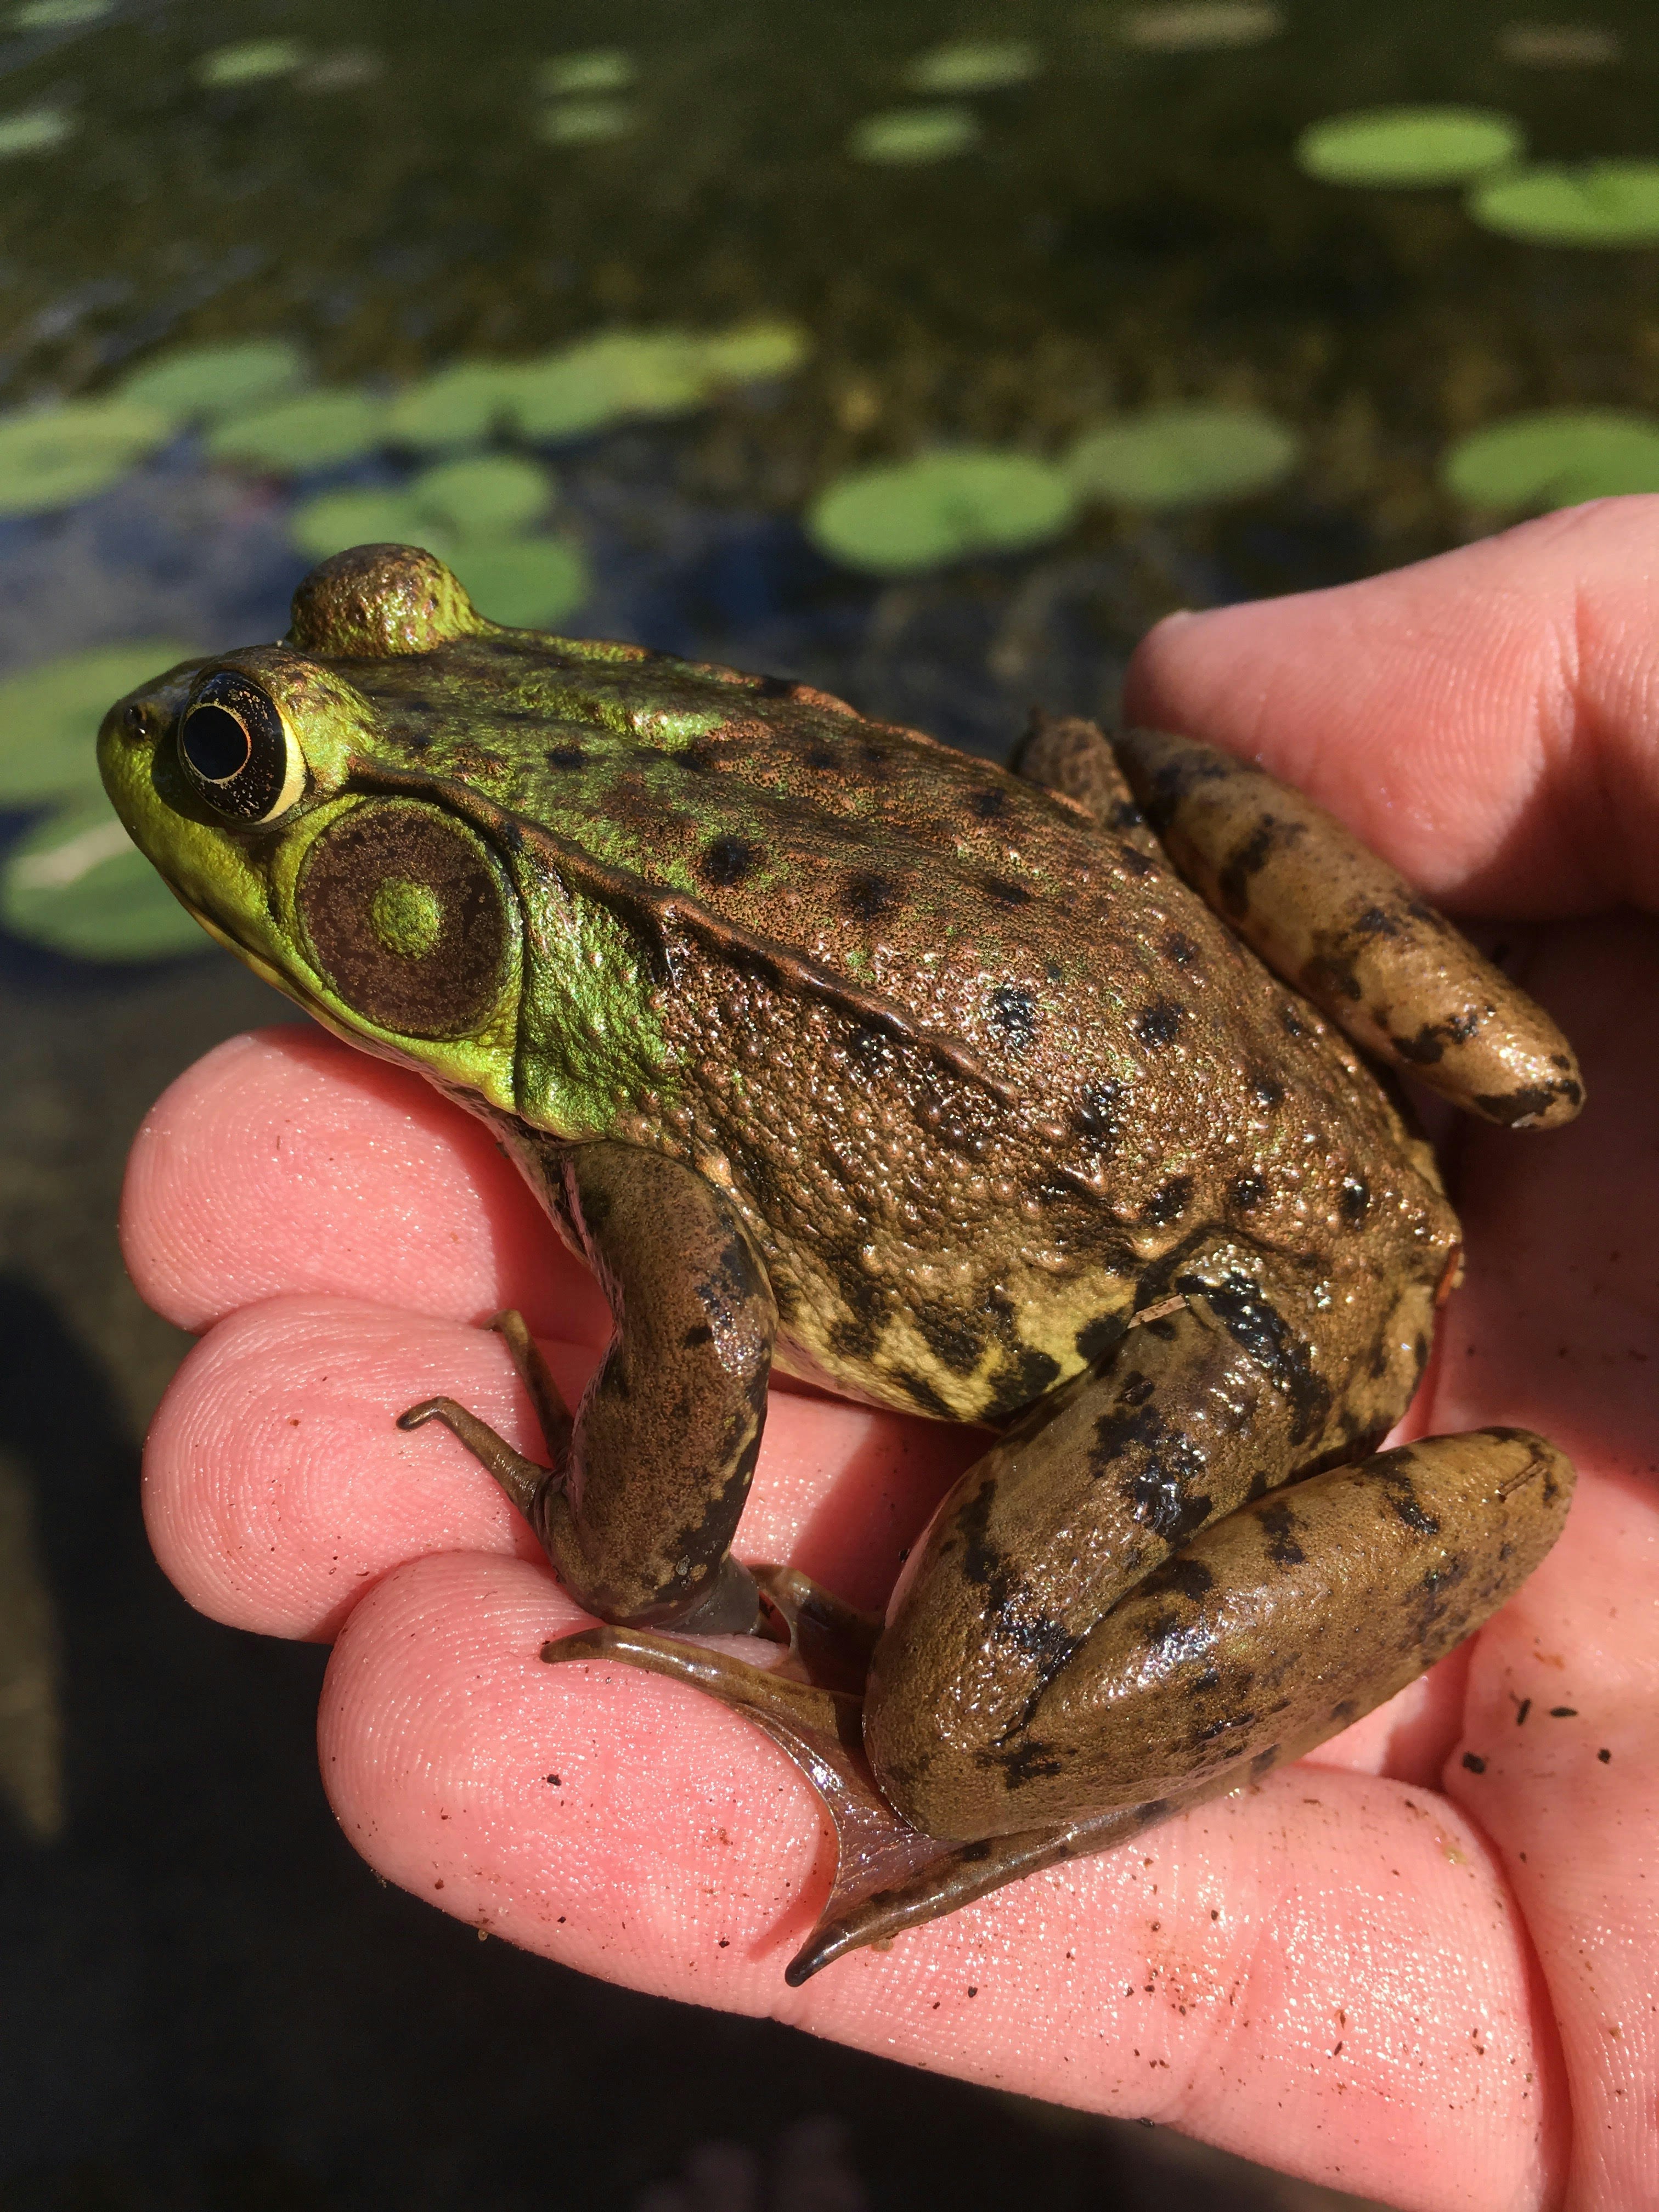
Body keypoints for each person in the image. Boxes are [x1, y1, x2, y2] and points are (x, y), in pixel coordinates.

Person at [122, 499, 1657, 2210]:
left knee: (934, 1749)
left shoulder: (610, 1113)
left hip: (1256, 1316)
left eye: (226, 763)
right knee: (1085, 756)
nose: (170, 744)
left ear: (412, 891)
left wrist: (605, 1546)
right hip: (1312, 1082)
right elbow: (1077, 766)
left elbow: (701, 1325)